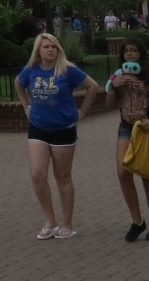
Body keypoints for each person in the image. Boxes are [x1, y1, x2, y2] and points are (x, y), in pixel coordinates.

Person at [13, 33, 99, 241]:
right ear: (38, 51)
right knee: (37, 175)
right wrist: (26, 107)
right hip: (38, 128)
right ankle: (50, 222)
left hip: (63, 128)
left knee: (63, 177)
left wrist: (82, 112)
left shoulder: (67, 69)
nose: (50, 50)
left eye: (53, 47)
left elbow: (93, 86)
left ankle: (67, 224)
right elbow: (18, 83)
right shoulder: (31, 69)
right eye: (46, 47)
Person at [106, 41, 149, 241]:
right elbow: (109, 105)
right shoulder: (118, 75)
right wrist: (112, 87)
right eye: (126, 51)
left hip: (148, 129)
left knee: (147, 175)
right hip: (127, 127)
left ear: (141, 53)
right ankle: (137, 221)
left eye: (133, 50)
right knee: (123, 172)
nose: (129, 54)